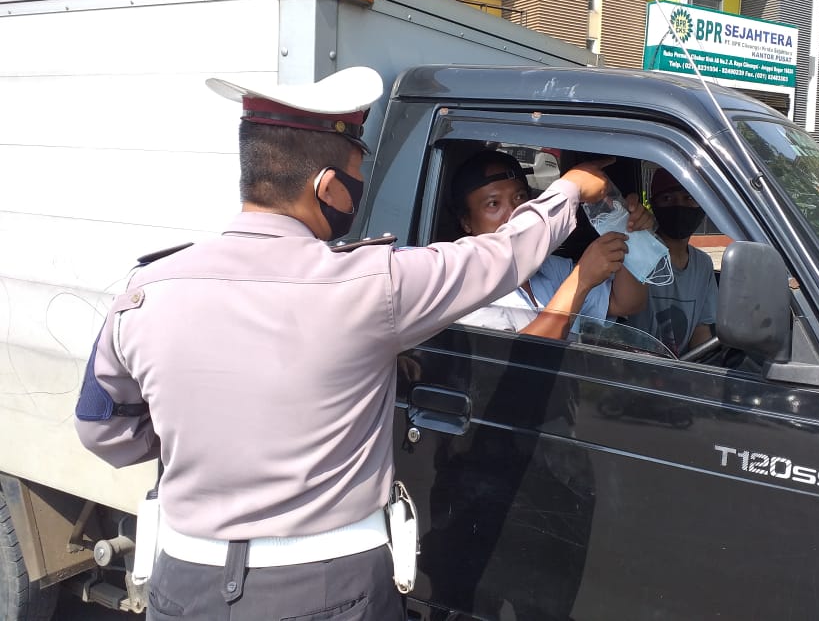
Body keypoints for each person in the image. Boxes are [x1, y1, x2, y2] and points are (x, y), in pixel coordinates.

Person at [73, 67, 612, 621]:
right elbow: (500, 256)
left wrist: (201, 435)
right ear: (328, 187)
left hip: (185, 582)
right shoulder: (371, 286)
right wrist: (569, 189)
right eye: (356, 175)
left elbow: (100, 428)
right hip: (329, 588)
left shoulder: (145, 290)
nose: (357, 190)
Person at [450, 149, 650, 340]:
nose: (513, 213)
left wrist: (628, 229)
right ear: (466, 222)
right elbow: (518, 356)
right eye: (493, 204)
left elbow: (626, 303)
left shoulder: (547, 267)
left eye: (519, 197)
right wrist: (581, 281)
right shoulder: (467, 289)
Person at [627, 167, 718, 357]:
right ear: (654, 204)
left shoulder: (704, 265)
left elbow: (701, 331)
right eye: (668, 198)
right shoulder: (636, 253)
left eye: (689, 198)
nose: (679, 206)